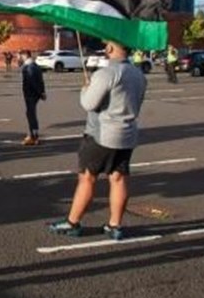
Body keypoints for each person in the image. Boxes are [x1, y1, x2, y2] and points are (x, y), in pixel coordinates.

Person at [48, 40, 146, 241]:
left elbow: (88, 103)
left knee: (87, 177)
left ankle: (72, 222)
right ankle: (115, 225)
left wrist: (86, 88)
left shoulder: (106, 73)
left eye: (107, 45)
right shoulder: (139, 74)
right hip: (127, 133)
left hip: (101, 134)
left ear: (110, 48)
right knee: (118, 178)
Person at [20, 50, 46, 146]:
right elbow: (41, 81)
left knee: (31, 114)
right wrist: (42, 92)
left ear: (25, 56)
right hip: (34, 94)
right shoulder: (35, 65)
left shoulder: (29, 67)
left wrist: (40, 93)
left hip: (30, 94)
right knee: (30, 113)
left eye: (21, 56)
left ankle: (34, 136)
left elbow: (33, 82)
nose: (20, 58)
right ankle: (33, 134)